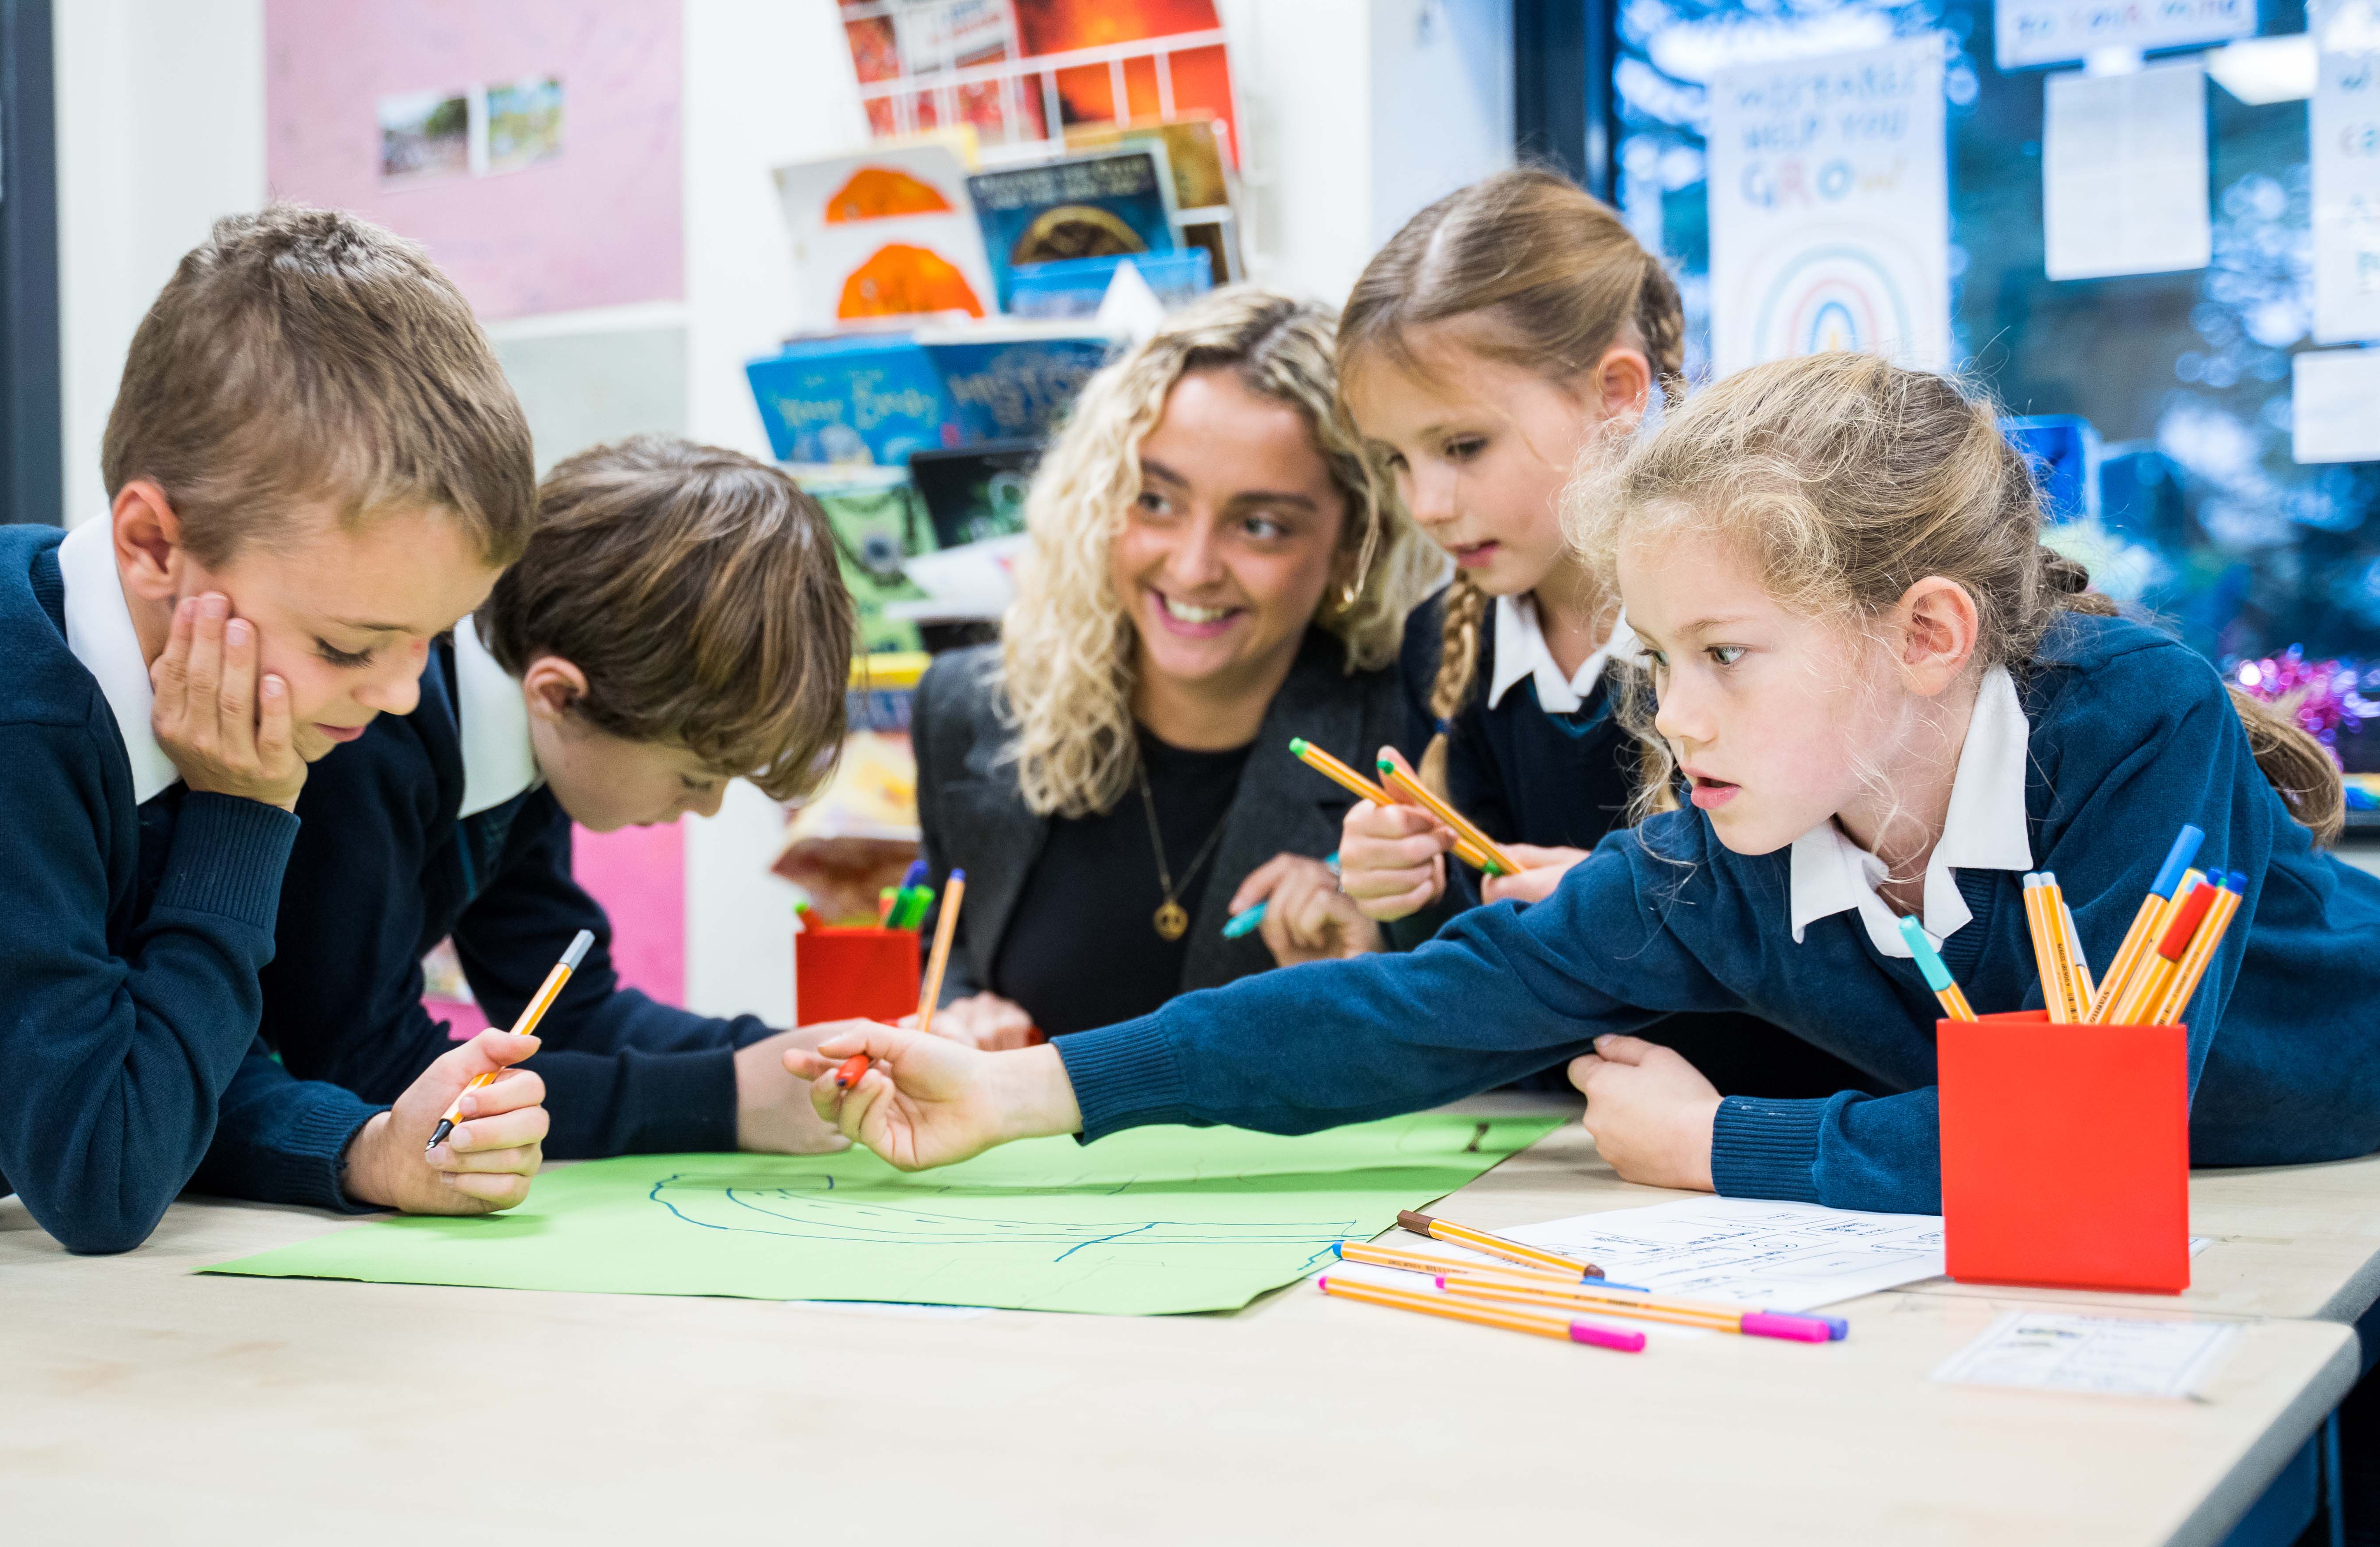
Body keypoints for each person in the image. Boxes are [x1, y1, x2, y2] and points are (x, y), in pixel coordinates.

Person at [786, 352, 2380, 1212]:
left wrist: (1721, 1147)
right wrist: (1019, 1093)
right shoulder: (1728, 844)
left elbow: (2082, 1147)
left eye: (1726, 657)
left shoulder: (2124, 727)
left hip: (2326, 1188)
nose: (1674, 721)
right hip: (2126, 1247)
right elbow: (1398, 1014)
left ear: (1923, 636)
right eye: (1655, 662)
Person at [0, 206, 555, 1252]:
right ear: (154, 543)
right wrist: (242, 817)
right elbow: (109, 1175)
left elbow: (168, 1063)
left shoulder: (193, 697)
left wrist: (367, 1149)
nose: (395, 698)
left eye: (427, 645)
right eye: (351, 646)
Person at [1333, 166, 1863, 1098]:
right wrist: (1407, 900)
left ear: (1616, 393)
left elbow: (1843, 957)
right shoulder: (1442, 647)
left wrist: (1629, 911)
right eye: (1394, 460)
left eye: (1461, 447)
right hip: (1565, 1150)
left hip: (1788, 1140)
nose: (1424, 502)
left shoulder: (1751, 615)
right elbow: (1487, 990)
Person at [236, 438, 863, 1160]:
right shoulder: (370, 732)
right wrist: (724, 1097)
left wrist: (787, 1057)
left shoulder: (528, 750)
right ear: (559, 695)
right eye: (695, 776)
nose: (708, 807)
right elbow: (369, 1069)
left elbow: (571, 1013)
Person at [913, 287, 1438, 1051]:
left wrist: (1372, 971)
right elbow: (949, 954)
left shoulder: (1411, 734)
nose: (1193, 569)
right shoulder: (972, 709)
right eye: (1155, 501)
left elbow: (1471, 1035)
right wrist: (960, 1016)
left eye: (1260, 526)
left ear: (1355, 543)